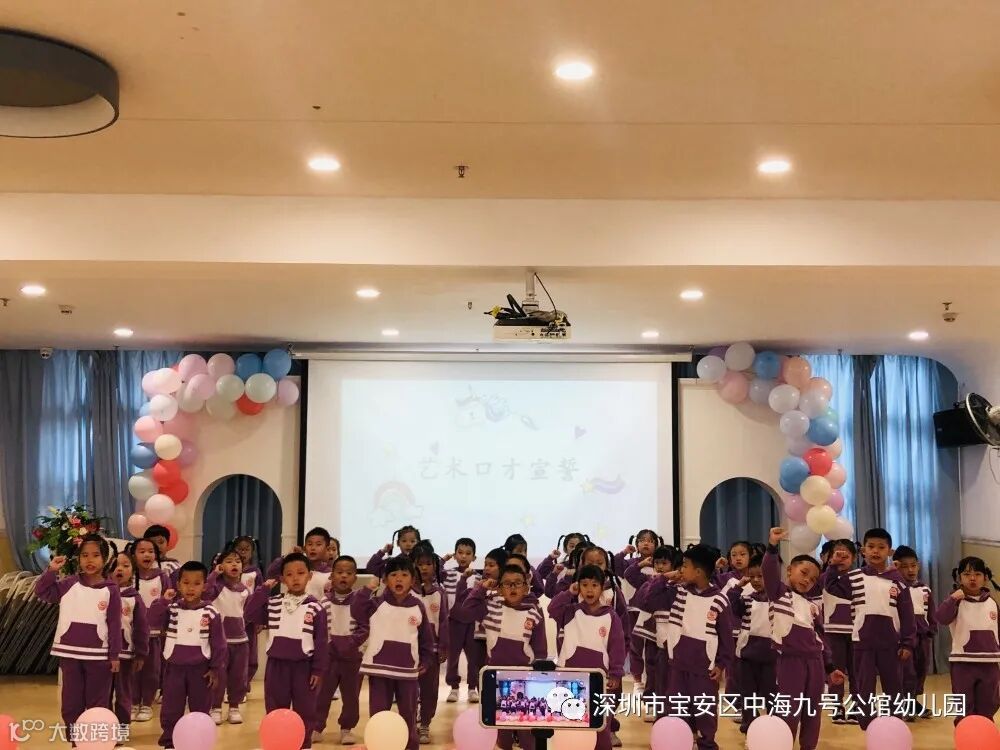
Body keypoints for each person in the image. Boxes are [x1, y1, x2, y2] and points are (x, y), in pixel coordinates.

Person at [633, 544, 734, 750]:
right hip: (677, 666)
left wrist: (721, 665)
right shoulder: (677, 592)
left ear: (698, 572)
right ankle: (680, 742)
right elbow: (648, 601)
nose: (680, 570)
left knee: (705, 711)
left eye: (685, 566)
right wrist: (663, 578)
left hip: (704, 670)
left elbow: (726, 638)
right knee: (676, 709)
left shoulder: (719, 600)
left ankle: (706, 743)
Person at [824, 527, 915, 729]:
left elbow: (907, 615)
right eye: (871, 546)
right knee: (864, 686)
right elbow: (830, 586)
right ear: (863, 551)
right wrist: (833, 565)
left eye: (881, 547)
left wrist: (907, 643)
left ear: (889, 552)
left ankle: (895, 723)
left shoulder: (898, 581)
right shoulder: (855, 577)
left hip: (891, 644)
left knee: (894, 686)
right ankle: (868, 724)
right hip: (863, 643)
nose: (876, 551)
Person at [764, 529, 845, 750]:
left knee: (812, 710)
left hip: (816, 663)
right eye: (804, 573)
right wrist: (772, 546)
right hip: (790, 661)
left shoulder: (812, 606)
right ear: (789, 570)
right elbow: (769, 570)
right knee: (789, 710)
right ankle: (782, 745)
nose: (807, 580)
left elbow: (821, 640)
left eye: (813, 579)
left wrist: (830, 667)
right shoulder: (778, 593)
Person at [35, 535, 122, 734]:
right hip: (70, 654)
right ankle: (75, 739)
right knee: (71, 701)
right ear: (78, 558)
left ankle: (95, 741)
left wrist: (114, 655)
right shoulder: (69, 584)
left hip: (99, 656)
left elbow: (114, 624)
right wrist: (51, 571)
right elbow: (42, 592)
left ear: (105, 558)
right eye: (85, 555)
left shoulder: (111, 590)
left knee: (98, 702)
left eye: (96, 555)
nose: (90, 560)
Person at [454, 564, 546, 750]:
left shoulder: (533, 611)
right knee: (502, 730)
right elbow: (466, 610)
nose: (512, 587)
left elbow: (540, 647)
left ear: (526, 587)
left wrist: (540, 674)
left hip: (525, 679)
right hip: (497, 679)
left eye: (517, 583)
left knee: (526, 728)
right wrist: (482, 588)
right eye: (507, 583)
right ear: (500, 588)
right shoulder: (490, 608)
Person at [247, 552, 330, 749]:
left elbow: (321, 642)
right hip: (276, 667)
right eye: (289, 574)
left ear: (309, 576)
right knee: (275, 708)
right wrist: (263, 590)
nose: (295, 578)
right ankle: (277, 744)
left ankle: (304, 744)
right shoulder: (274, 603)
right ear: (282, 579)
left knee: (305, 709)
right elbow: (249, 613)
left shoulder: (316, 608)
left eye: (300, 573)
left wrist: (318, 670)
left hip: (304, 668)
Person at [352, 555, 434, 750]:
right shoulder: (376, 603)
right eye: (394, 574)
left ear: (412, 580)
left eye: (404, 575)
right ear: (385, 579)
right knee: (379, 714)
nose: (399, 579)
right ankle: (378, 745)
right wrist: (367, 589)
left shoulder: (418, 606)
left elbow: (426, 639)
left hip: (407, 672)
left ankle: (410, 745)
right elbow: (356, 610)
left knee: (408, 714)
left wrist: (426, 661)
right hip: (379, 670)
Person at [148, 561, 226, 749]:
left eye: (196, 583)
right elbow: (151, 618)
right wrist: (163, 601)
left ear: (204, 586)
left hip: (201, 671)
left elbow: (219, 644)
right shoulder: (172, 609)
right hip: (174, 669)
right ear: (178, 585)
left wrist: (215, 668)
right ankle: (170, 741)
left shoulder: (211, 612)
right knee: (171, 707)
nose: (191, 588)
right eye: (186, 582)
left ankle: (199, 742)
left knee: (200, 707)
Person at [548, 565, 626, 750]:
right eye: (584, 585)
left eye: (594, 585)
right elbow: (552, 608)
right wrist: (569, 592)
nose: (589, 590)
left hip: (600, 681)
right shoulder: (570, 611)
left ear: (602, 587)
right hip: (570, 679)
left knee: (601, 726)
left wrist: (615, 674)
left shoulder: (611, 616)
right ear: (578, 586)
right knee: (570, 723)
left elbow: (617, 648)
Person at [935, 556, 1000, 723]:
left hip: (990, 663)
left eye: (977, 574)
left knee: (989, 704)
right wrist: (953, 599)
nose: (972, 578)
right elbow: (941, 618)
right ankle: (965, 733)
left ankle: (984, 733)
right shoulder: (955, 601)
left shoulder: (992, 603)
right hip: (962, 663)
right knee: (963, 706)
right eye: (966, 574)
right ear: (959, 578)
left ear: (985, 577)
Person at [316, 555, 372, 745]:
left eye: (348, 573)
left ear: (355, 578)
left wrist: (352, 643)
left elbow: (365, 627)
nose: (344, 576)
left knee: (351, 697)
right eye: (339, 572)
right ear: (332, 576)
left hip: (352, 659)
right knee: (321, 694)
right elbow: (319, 629)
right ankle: (316, 727)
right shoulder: (323, 602)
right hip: (328, 658)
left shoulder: (359, 602)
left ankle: (347, 728)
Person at [624, 544, 679, 717]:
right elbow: (642, 599)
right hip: (652, 632)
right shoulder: (650, 581)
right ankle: (651, 702)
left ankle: (670, 704)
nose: (660, 567)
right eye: (657, 563)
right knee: (652, 666)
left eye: (665, 563)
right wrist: (644, 567)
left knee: (670, 670)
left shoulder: (680, 584)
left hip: (672, 634)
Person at [452, 546, 508, 704]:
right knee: (481, 673)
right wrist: (481, 589)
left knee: (497, 675)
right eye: (485, 565)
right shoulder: (480, 586)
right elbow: (465, 604)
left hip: (499, 640)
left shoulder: (506, 589)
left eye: (491, 565)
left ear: (502, 567)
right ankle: (483, 702)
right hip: (479, 638)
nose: (487, 568)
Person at [727, 553, 775, 734]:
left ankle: (774, 723)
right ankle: (749, 723)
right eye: (751, 576)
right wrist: (739, 586)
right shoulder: (747, 598)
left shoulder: (778, 599)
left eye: (760, 576)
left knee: (771, 692)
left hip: (771, 654)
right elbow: (731, 605)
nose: (755, 580)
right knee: (748, 692)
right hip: (747, 654)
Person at [205, 545, 252, 724]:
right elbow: (205, 593)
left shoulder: (245, 590)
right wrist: (213, 575)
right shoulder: (216, 587)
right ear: (220, 565)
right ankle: (215, 707)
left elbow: (247, 612)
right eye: (229, 561)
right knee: (218, 675)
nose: (234, 564)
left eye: (238, 561)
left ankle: (234, 707)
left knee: (238, 676)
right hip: (221, 642)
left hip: (241, 641)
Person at [409, 542, 450, 744]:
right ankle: (410, 724)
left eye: (428, 564)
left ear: (435, 566)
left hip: (431, 651)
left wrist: (443, 647)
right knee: (408, 690)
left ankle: (425, 723)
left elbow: (444, 621)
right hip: (409, 650)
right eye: (419, 564)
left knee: (429, 690)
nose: (424, 568)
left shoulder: (439, 593)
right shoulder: (406, 592)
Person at [107, 546, 150, 732]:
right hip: (102, 654)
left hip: (125, 655)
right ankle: (106, 727)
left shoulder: (134, 598)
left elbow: (142, 628)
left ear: (133, 571)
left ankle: (122, 727)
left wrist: (141, 653)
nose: (120, 569)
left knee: (123, 692)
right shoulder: (102, 593)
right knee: (103, 693)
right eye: (115, 565)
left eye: (125, 565)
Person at [893, 544, 937, 720]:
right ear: (896, 567)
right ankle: (905, 704)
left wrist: (931, 629)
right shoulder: (896, 589)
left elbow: (931, 612)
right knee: (907, 672)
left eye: (913, 565)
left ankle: (913, 701)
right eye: (905, 566)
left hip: (923, 637)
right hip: (904, 638)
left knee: (921, 669)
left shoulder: (924, 589)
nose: (910, 570)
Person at [131, 538, 170, 721]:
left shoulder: (162, 577)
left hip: (154, 634)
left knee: (151, 671)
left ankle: (147, 704)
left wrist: (165, 626)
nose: (147, 555)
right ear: (133, 555)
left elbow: (169, 602)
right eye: (142, 551)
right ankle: (133, 702)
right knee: (132, 670)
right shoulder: (130, 576)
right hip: (131, 634)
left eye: (150, 551)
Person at [822, 538, 858, 724]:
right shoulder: (825, 577)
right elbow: (829, 587)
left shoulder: (858, 577)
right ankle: (837, 707)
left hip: (856, 631)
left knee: (856, 671)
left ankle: (855, 707)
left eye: (846, 556)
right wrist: (832, 567)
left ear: (854, 558)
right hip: (833, 631)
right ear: (830, 557)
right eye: (838, 555)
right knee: (836, 671)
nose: (841, 559)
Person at [442, 537, 478, 703]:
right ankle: (454, 688)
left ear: (474, 557)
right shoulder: (448, 575)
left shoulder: (478, 577)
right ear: (455, 555)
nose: (464, 556)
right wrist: (443, 559)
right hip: (453, 622)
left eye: (468, 553)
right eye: (460, 552)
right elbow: (435, 571)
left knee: (473, 658)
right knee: (453, 657)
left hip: (472, 624)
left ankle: (472, 688)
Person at [266, 527, 335, 600]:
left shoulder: (330, 573)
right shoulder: (295, 567)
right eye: (310, 544)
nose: (313, 548)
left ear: (327, 549)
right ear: (304, 548)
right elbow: (272, 573)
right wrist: (288, 556)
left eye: (318, 544)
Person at [232, 535, 264, 694]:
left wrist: (260, 619)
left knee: (249, 653)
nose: (243, 553)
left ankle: (244, 683)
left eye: (246, 550)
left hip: (249, 619)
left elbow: (261, 595)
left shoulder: (255, 572)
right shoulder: (229, 571)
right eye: (240, 549)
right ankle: (232, 683)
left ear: (252, 552)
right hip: (232, 618)